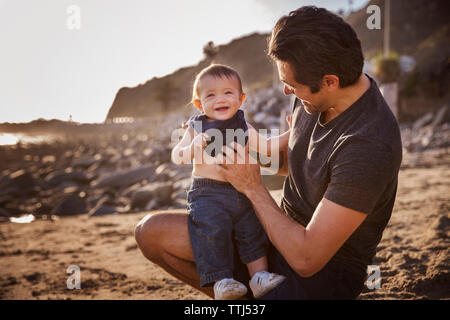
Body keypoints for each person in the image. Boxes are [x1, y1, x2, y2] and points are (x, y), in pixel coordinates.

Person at [135, 6, 403, 299]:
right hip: (273, 236)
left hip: (317, 278)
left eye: (291, 85)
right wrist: (223, 139)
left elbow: (307, 259)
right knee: (151, 233)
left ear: (329, 82)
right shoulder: (313, 92)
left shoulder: (369, 145)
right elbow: (297, 163)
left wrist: (252, 187)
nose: (287, 92)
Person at [170, 64, 288, 299]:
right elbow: (177, 156)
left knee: (251, 230)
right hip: (207, 194)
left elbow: (267, 147)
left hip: (241, 190)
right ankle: (222, 280)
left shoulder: (244, 126)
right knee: (212, 231)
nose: (220, 99)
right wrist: (192, 148)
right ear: (199, 104)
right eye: (210, 95)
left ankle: (259, 276)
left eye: (227, 92)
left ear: (241, 98)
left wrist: (291, 133)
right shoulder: (196, 127)